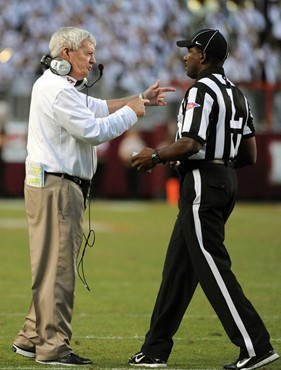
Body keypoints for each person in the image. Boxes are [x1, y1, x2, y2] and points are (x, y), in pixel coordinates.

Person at [11, 26, 175, 366]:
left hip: (53, 184)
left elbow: (94, 106)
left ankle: (30, 337)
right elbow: (92, 131)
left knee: (51, 267)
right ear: (67, 53)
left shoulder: (57, 87)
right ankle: (53, 347)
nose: (93, 60)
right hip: (57, 186)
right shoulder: (58, 90)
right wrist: (132, 114)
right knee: (58, 269)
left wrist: (134, 100)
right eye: (88, 53)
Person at [129, 29, 279, 370]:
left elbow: (191, 142)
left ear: (205, 56)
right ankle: (155, 349)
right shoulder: (237, 93)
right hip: (224, 180)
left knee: (212, 267)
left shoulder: (201, 89)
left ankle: (256, 345)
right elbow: (250, 153)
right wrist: (220, 164)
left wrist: (155, 157)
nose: (186, 56)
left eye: (191, 51)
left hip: (202, 185)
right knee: (178, 270)